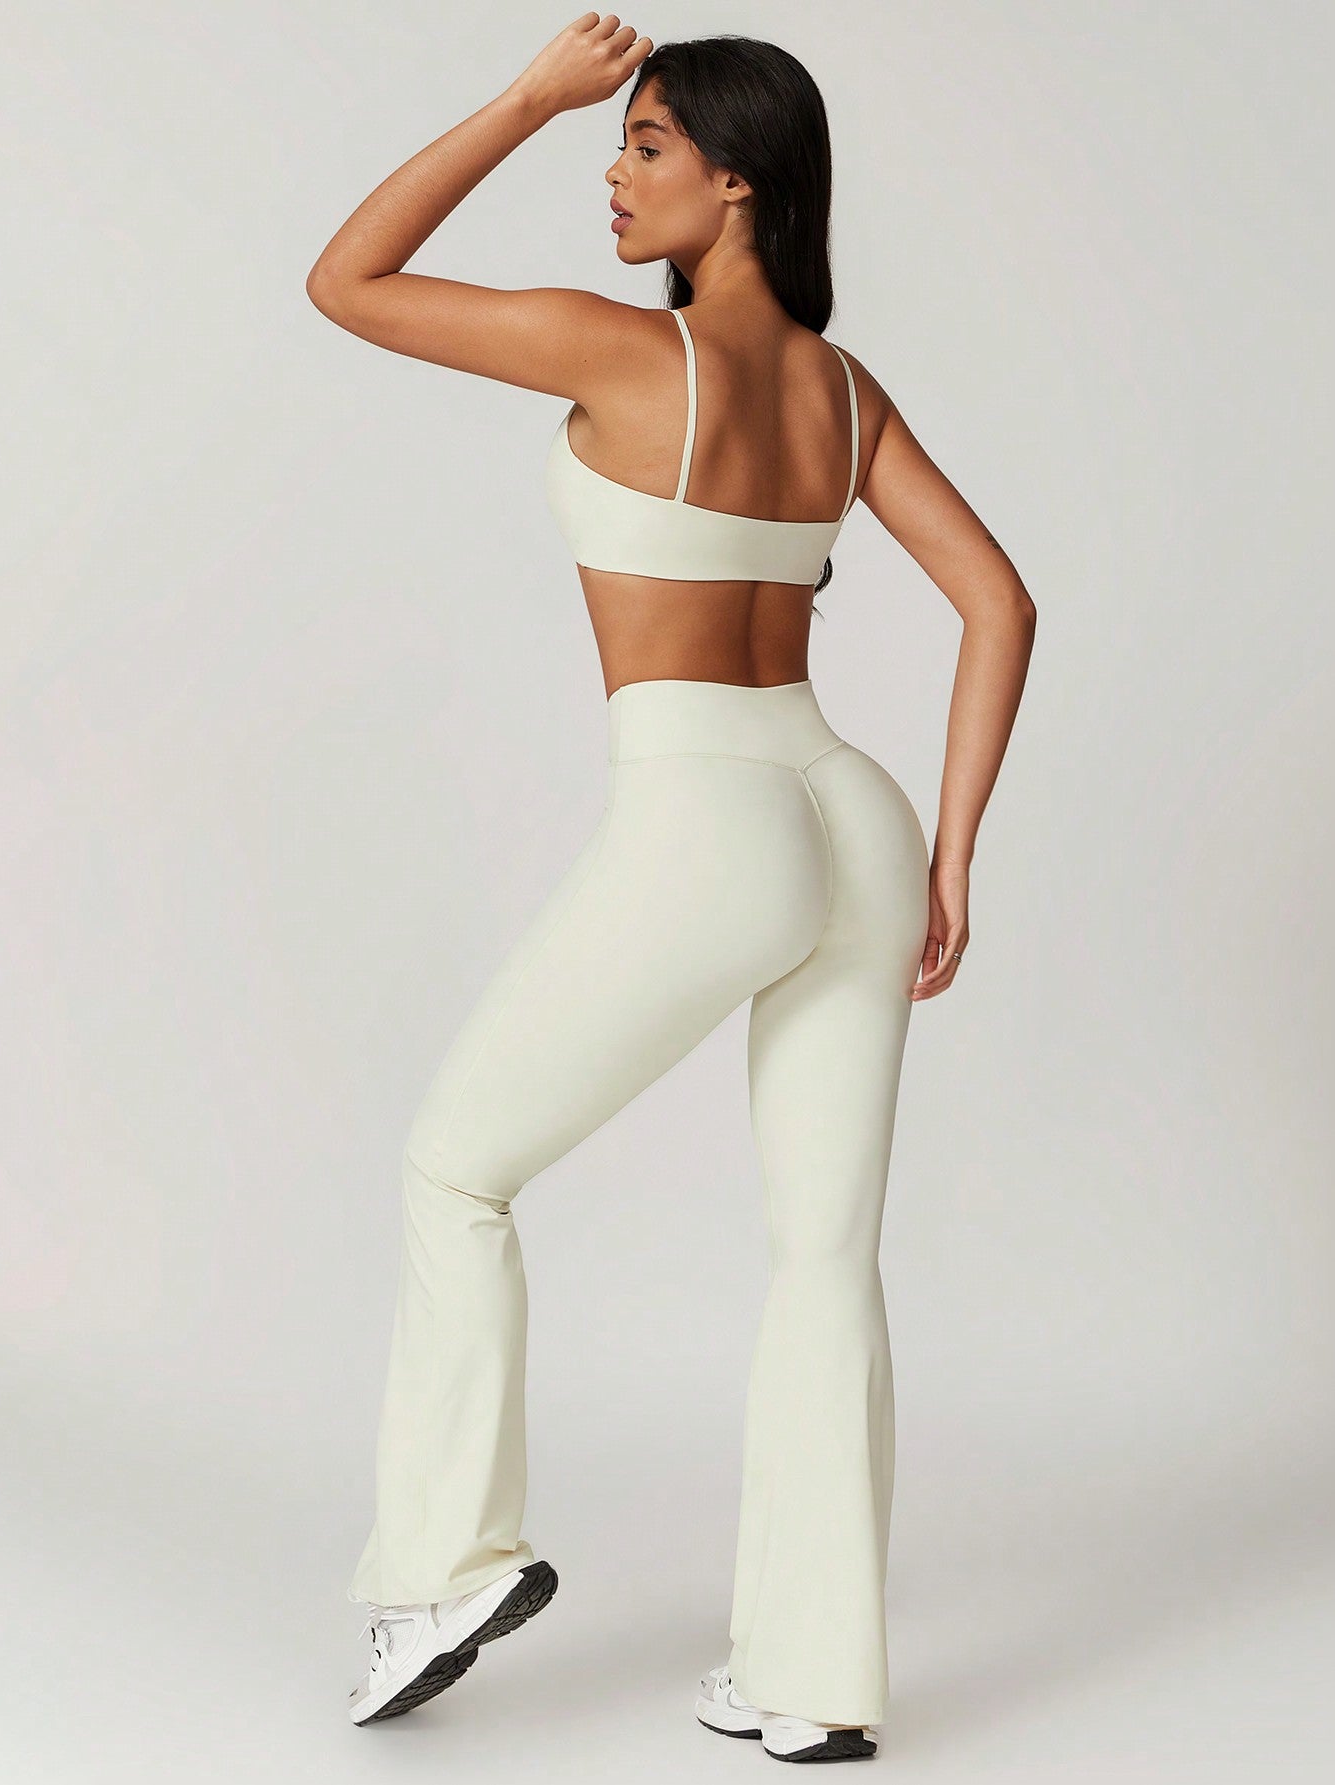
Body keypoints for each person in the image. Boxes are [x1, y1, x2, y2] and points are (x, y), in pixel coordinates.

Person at [306, 16, 1036, 1766]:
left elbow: (346, 281)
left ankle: (445, 1568)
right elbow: (1000, 600)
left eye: (643, 144)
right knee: (826, 1257)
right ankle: (808, 1681)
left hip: (709, 811)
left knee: (454, 1167)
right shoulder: (847, 394)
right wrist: (949, 852)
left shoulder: (621, 351)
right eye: (610, 138)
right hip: (851, 812)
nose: (612, 172)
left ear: (741, 181)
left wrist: (523, 94)